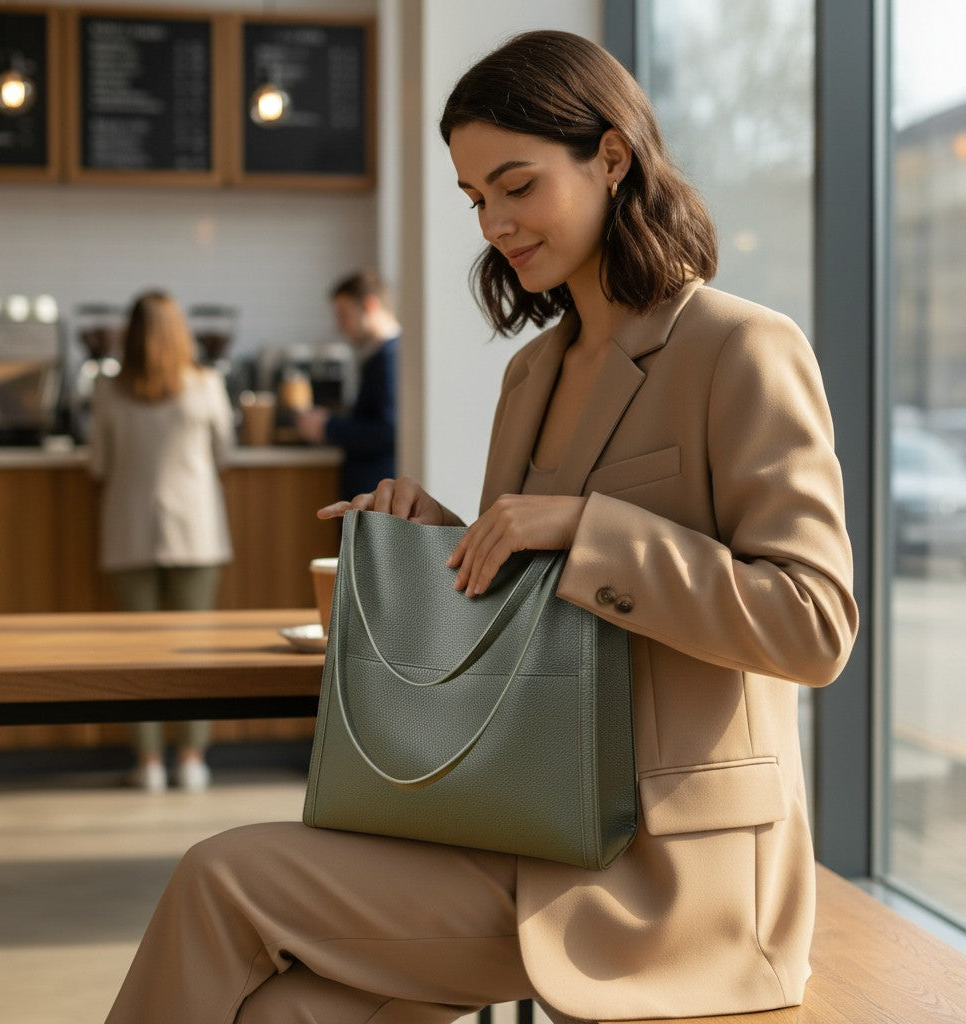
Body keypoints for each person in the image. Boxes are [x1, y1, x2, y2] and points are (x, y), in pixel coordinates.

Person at [105, 31, 858, 1023]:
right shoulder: (532, 373)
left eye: (517, 185)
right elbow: (535, 604)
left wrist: (590, 528)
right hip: (513, 823)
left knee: (219, 875)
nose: (495, 221)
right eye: (475, 198)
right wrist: (450, 535)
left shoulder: (741, 349)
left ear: (611, 157)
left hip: (671, 877)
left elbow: (813, 625)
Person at [90, 290, 234, 794]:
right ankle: (192, 759)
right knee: (195, 650)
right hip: (196, 531)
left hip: (128, 529)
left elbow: (97, 464)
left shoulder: (107, 390)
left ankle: (149, 762)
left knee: (137, 653)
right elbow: (226, 452)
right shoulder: (208, 383)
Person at [294, 270, 399, 499]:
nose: (339, 325)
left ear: (370, 306)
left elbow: (388, 431)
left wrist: (328, 427)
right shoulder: (380, 356)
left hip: (375, 495)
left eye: (343, 314)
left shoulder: (389, 358)